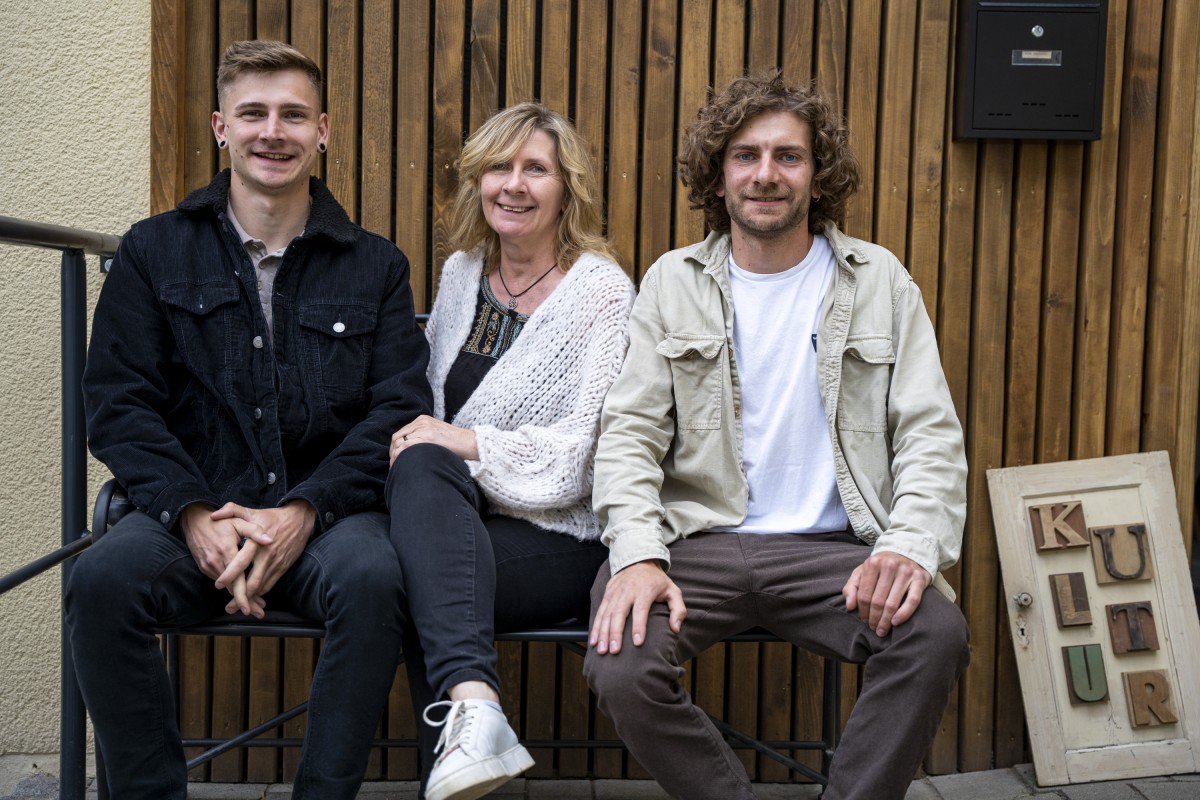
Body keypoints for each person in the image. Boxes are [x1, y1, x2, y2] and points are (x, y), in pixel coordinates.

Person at [584, 73, 971, 800]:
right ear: (719, 174)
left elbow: (929, 434)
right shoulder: (673, 281)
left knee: (935, 635)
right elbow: (628, 435)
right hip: (698, 543)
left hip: (836, 551)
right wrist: (636, 553)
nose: (766, 175)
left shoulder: (879, 280)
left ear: (817, 178)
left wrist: (907, 546)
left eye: (788, 157)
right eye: (745, 156)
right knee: (621, 661)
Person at [65, 40, 432, 799]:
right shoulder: (151, 251)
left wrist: (303, 510)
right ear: (219, 127)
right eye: (253, 113)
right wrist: (194, 514)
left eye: (293, 115)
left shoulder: (377, 265)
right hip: (184, 515)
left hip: (327, 518)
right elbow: (118, 401)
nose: (274, 131)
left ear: (323, 130)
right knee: (100, 582)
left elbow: (398, 408)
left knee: (375, 580)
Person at [386, 102, 635, 800]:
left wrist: (462, 442)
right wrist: (439, 447)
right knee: (421, 507)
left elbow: (589, 454)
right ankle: (476, 721)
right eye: (499, 166)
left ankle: (466, 734)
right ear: (477, 181)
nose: (513, 184)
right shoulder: (464, 273)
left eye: (537, 169)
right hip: (454, 519)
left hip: (561, 534)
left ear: (568, 189)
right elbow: (428, 419)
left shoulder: (602, 293)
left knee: (412, 573)